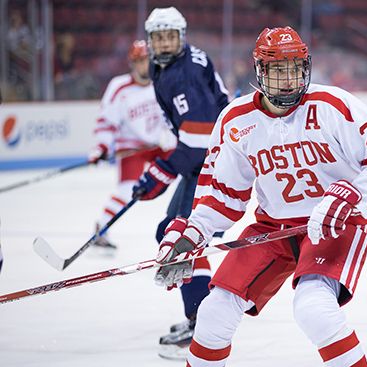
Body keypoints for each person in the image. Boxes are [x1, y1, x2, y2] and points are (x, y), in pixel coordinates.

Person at [154, 26, 367, 366]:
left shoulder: (334, 106)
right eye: (277, 70)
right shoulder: (235, 120)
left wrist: (351, 196)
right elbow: (224, 194)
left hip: (334, 225)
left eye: (295, 68)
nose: (289, 79)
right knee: (214, 311)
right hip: (273, 227)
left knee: (313, 308)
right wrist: (193, 231)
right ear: (259, 71)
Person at [131, 7, 229, 360]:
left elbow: (201, 135)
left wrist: (160, 171)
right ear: (151, 40)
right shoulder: (171, 65)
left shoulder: (182, 72)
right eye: (159, 37)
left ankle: (202, 323)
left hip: (214, 159)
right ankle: (199, 312)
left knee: (183, 239)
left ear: (181, 36)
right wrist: (166, 167)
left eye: (171, 35)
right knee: (172, 233)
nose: (165, 42)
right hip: (207, 156)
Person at [87, 40, 174, 252]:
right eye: (139, 61)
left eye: (147, 60)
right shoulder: (119, 87)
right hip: (132, 148)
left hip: (158, 145)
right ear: (132, 64)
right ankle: (101, 228)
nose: (144, 65)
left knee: (188, 170)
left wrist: (172, 135)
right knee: (127, 192)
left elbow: (173, 115)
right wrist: (102, 147)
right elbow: (106, 121)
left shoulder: (161, 83)